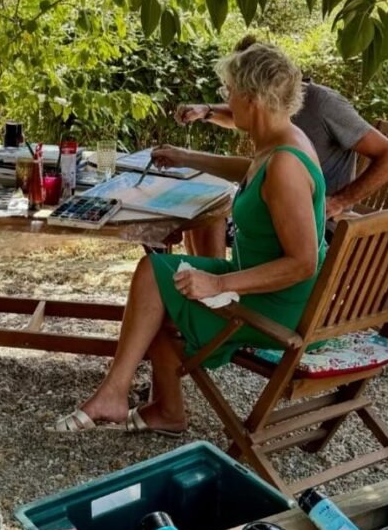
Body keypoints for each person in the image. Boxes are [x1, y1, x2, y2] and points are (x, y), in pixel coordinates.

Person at [52, 44, 326, 434]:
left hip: (276, 305)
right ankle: (155, 407)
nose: (225, 101)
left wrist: (219, 283)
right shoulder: (284, 141)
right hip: (263, 286)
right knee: (155, 279)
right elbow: (252, 172)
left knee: (157, 285)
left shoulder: (286, 164)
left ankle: (122, 396)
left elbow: (303, 263)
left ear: (252, 99)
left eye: (230, 92)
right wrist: (186, 156)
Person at [176, 35, 388, 256]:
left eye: (233, 89)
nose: (229, 98)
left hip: (317, 223)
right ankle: (215, 290)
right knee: (203, 213)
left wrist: (340, 201)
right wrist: (206, 112)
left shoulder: (323, 105)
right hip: (276, 207)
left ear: (256, 87)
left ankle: (219, 287)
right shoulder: (273, 112)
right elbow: (239, 114)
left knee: (211, 216)